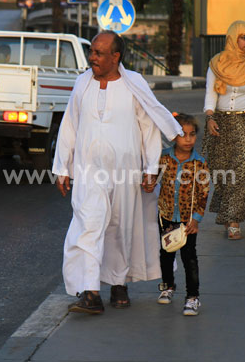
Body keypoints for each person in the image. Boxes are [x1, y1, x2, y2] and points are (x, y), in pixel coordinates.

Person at [52, 31, 184, 314]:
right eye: (92, 52)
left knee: (121, 228)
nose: (92, 58)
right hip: (88, 172)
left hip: (126, 173)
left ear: (116, 57)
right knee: (88, 226)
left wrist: (150, 169)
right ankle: (90, 292)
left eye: (99, 53)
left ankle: (119, 285)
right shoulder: (82, 83)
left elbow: (149, 128)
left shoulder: (133, 84)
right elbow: (69, 126)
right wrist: (62, 167)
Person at [202, 20, 245, 240]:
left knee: (241, 174)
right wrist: (210, 117)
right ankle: (230, 211)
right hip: (220, 124)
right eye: (244, 37)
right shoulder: (217, 63)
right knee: (223, 175)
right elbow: (210, 94)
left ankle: (233, 222)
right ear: (233, 38)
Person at [150, 113, 210, 316]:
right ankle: (168, 286)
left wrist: (196, 218)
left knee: (189, 257)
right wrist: (149, 183)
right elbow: (153, 177)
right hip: (166, 215)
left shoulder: (199, 163)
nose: (188, 139)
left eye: (192, 134)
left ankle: (193, 297)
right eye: (183, 134)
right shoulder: (164, 157)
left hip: (188, 220)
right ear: (174, 136)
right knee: (166, 254)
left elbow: (203, 193)